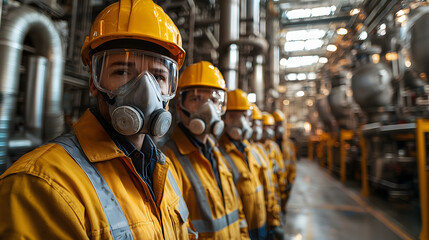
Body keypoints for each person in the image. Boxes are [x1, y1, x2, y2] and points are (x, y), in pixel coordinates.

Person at [0, 0, 196, 239]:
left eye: (158, 76)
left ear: (170, 88)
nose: (146, 90)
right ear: (94, 82)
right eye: (122, 72)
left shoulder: (164, 170)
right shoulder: (41, 185)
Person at [162, 61, 249, 239]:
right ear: (179, 106)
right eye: (196, 99)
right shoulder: (167, 161)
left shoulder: (218, 153)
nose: (208, 108)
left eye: (214, 100)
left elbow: (237, 211)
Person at [218, 89, 284, 240]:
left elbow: (268, 187)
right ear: (224, 118)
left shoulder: (253, 152)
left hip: (263, 226)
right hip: (244, 231)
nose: (243, 122)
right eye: (235, 116)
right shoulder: (219, 154)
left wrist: (274, 221)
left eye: (246, 117)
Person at [261, 112, 288, 214]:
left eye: (270, 127)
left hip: (276, 192)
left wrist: (283, 187)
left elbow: (281, 169)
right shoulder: (256, 149)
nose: (269, 130)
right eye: (266, 127)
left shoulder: (274, 147)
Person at [272, 109, 296, 206]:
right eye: (276, 124)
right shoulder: (268, 145)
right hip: (273, 186)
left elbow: (292, 165)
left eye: (280, 123)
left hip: (286, 184)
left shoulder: (288, 144)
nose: (279, 127)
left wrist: (290, 181)